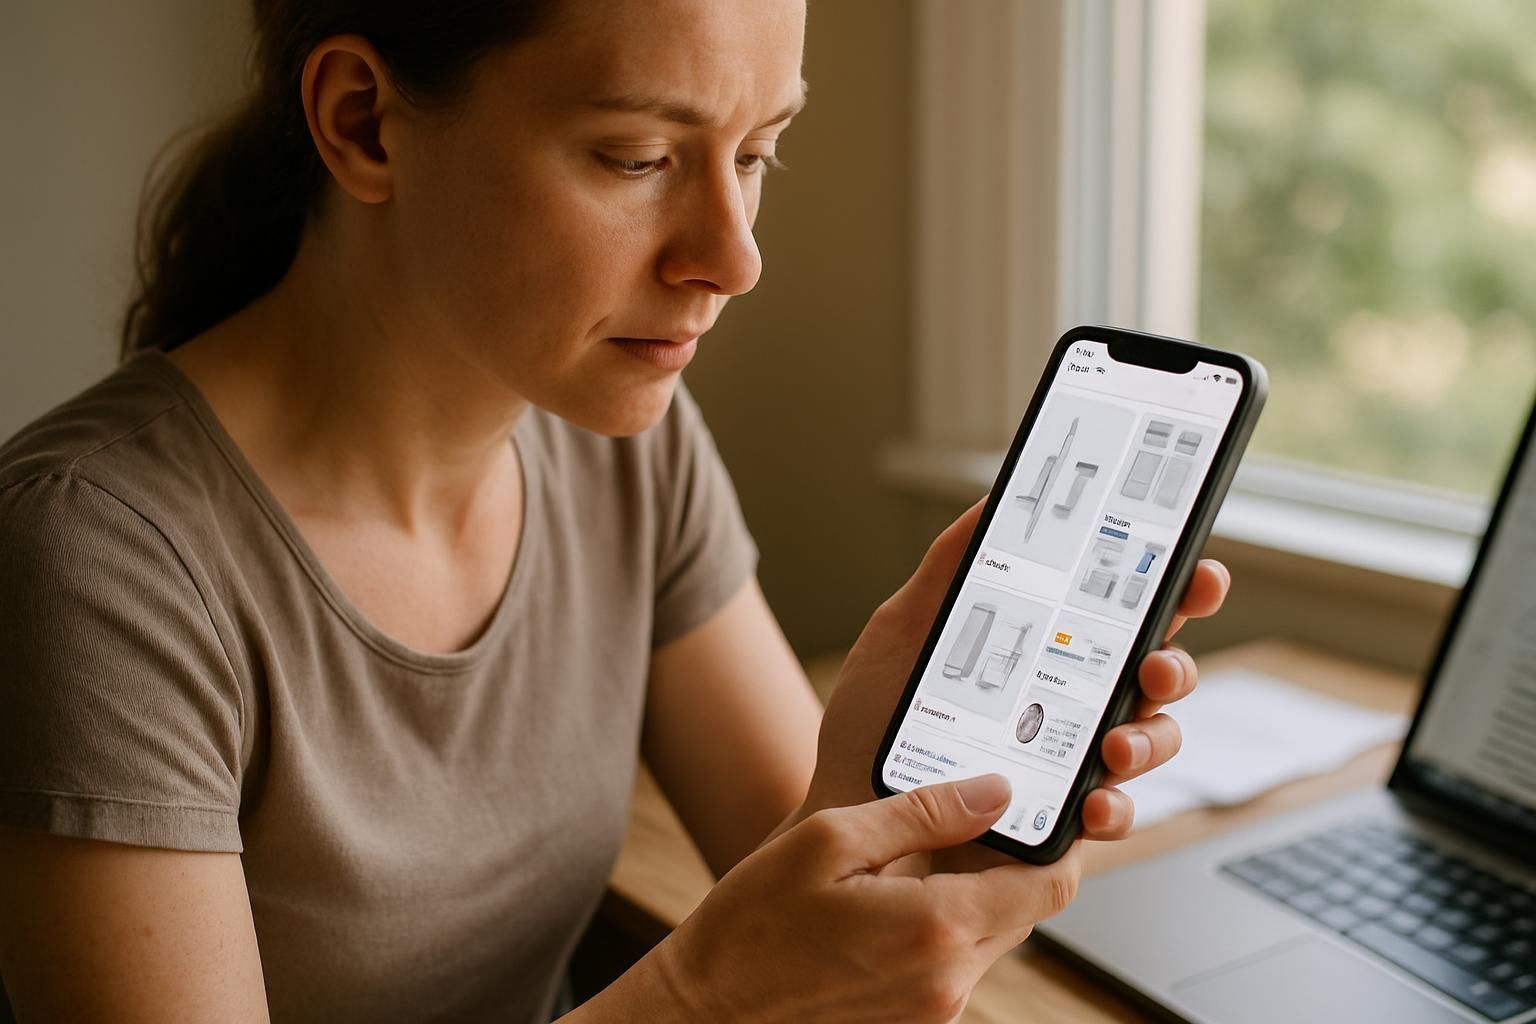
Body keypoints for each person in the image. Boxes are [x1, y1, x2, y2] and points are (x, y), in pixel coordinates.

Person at [0, 1, 1229, 1021]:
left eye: (757, 154)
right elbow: (746, 977)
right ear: (363, 122)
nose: (735, 258)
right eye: (639, 157)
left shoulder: (622, 448)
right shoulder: (96, 560)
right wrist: (696, 997)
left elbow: (834, 915)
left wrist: (895, 796)